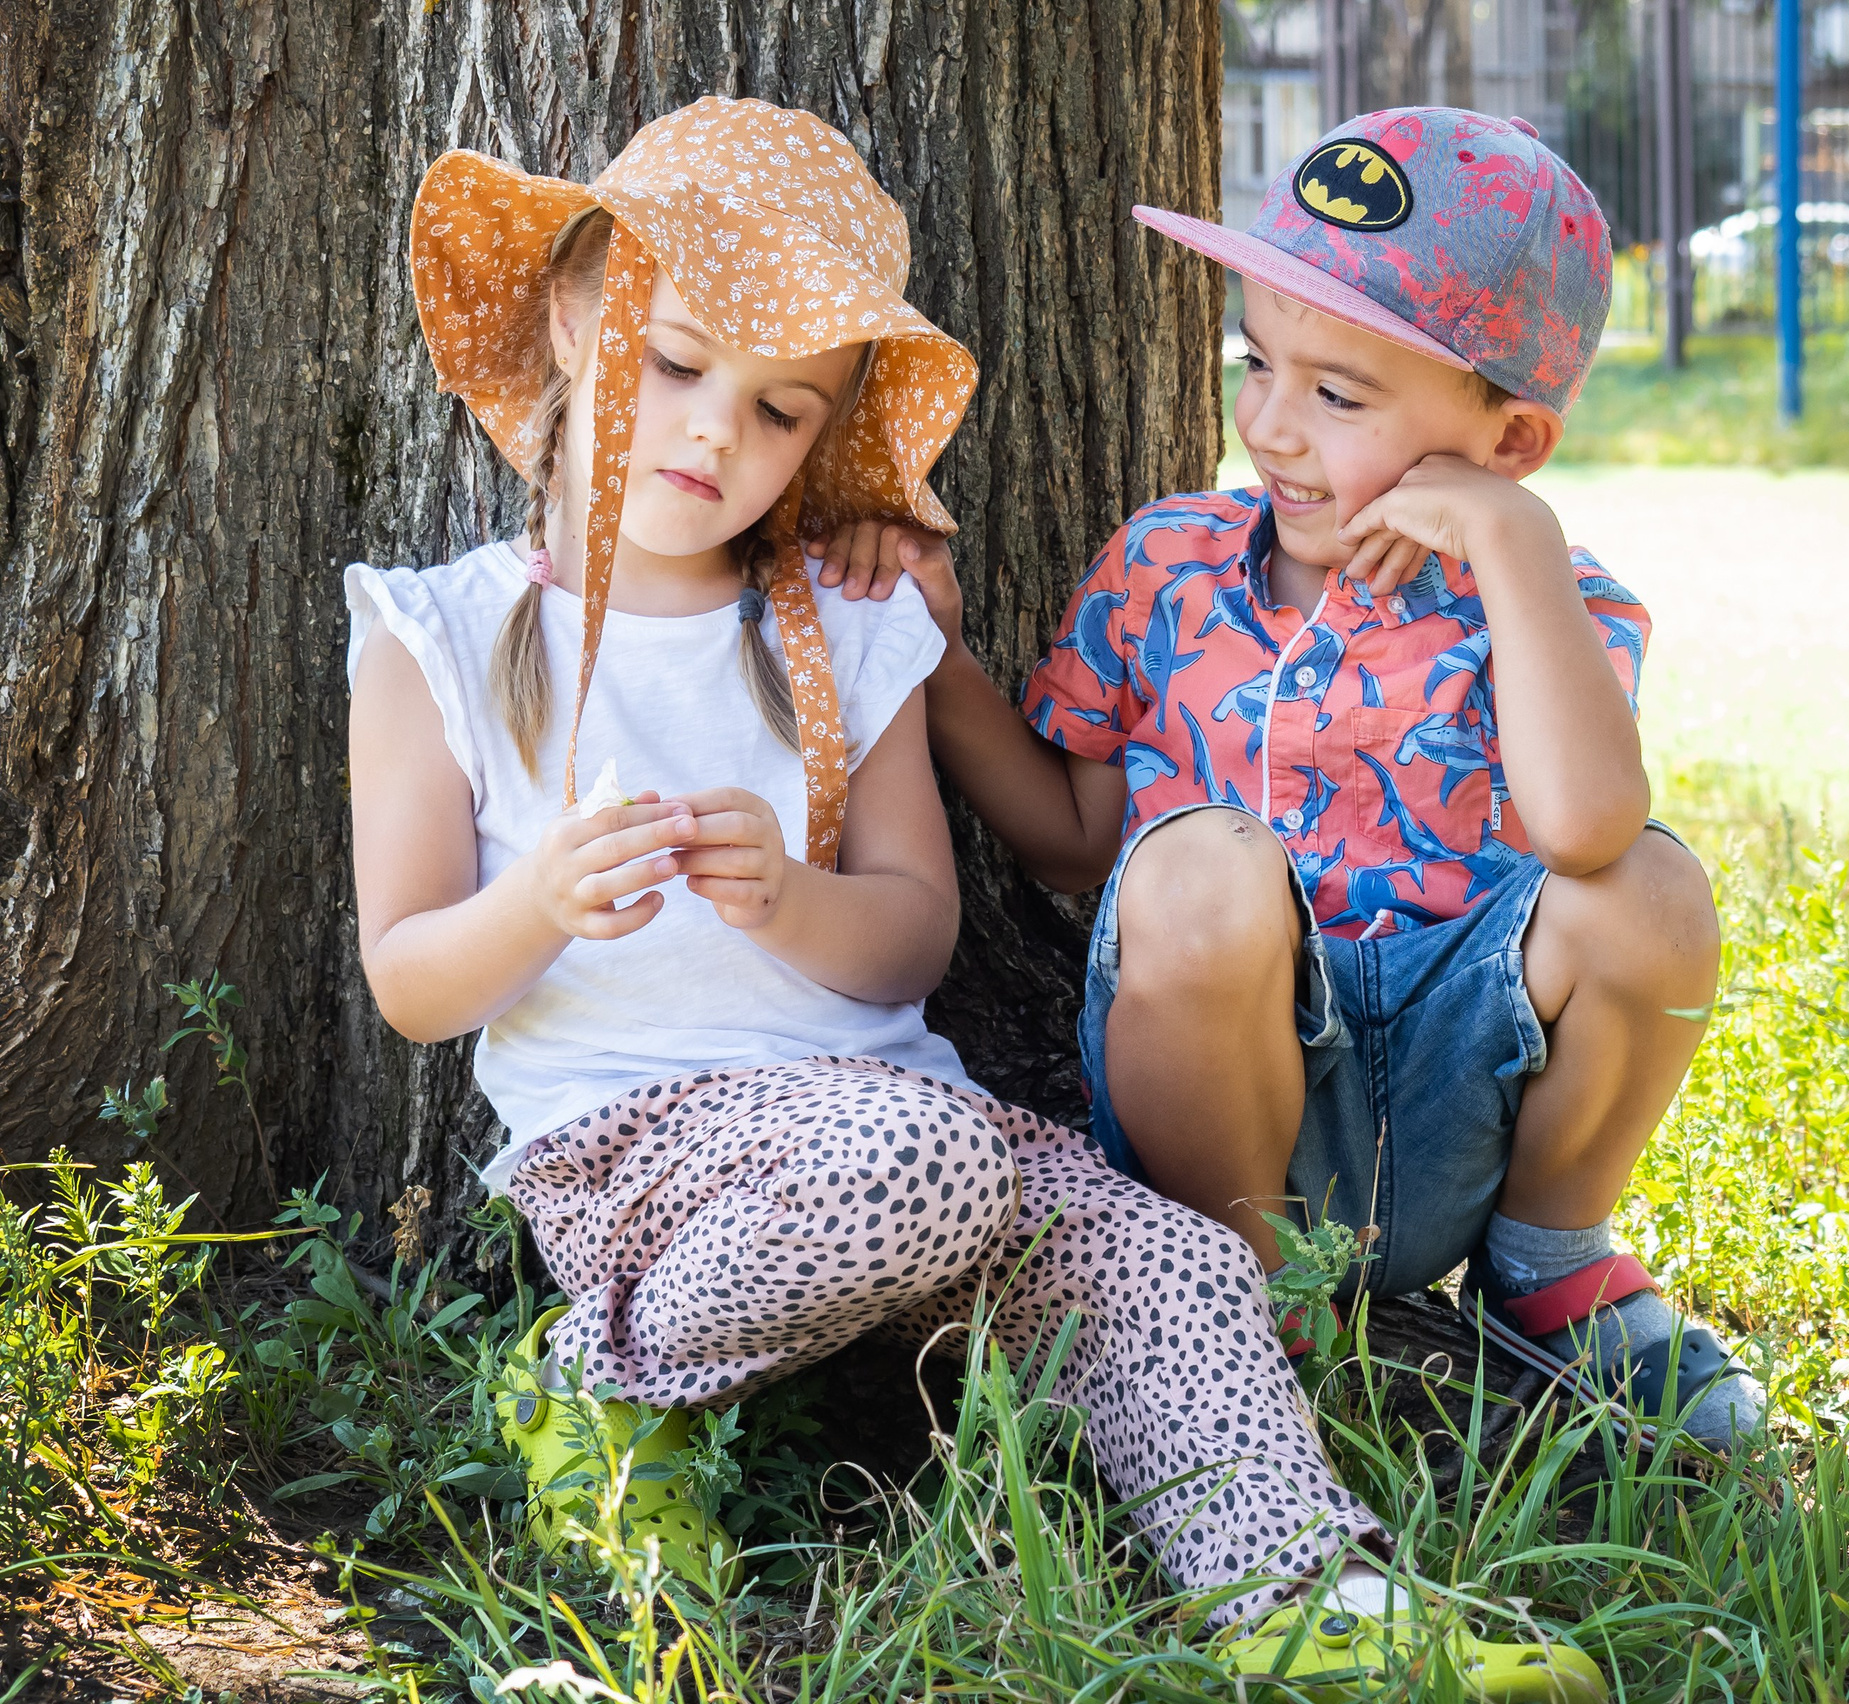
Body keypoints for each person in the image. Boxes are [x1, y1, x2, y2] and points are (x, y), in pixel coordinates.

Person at [346, 97, 1600, 1698]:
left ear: (826, 430)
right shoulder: (439, 638)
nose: (714, 436)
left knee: (1183, 1268)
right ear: (577, 313)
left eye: (780, 409)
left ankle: (1314, 1606)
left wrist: (787, 901)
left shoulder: (842, 633)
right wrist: (536, 904)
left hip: (908, 1131)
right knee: (924, 1154)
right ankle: (601, 1383)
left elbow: (915, 941)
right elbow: (411, 981)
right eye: (674, 364)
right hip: (643, 1156)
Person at [817, 107, 1766, 1449]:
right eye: (1258, 362)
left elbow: (1586, 827)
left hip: (1455, 1095)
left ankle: (1551, 1275)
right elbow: (1077, 843)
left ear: (1510, 443)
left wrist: (1515, 547)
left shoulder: (1551, 605)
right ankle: (1254, 1295)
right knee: (1200, 865)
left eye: (1339, 393)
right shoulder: (1169, 566)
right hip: (1219, 1101)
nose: (1271, 424)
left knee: (1651, 888)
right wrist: (939, 658)